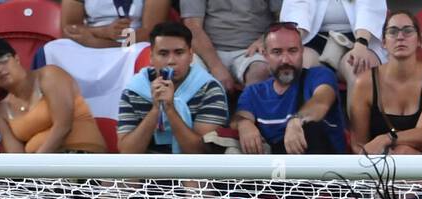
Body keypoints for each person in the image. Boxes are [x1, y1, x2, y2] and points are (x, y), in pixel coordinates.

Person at [0, 38, 111, 199]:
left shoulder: (49, 75)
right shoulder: (1, 111)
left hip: (81, 158)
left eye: (2, 60)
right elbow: (17, 159)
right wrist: (30, 173)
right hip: (39, 171)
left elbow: (63, 125)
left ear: (16, 58)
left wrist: (36, 167)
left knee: (51, 187)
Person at [117, 21, 230, 155]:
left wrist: (170, 109)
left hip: (193, 172)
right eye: (163, 54)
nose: (171, 61)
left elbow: (202, 153)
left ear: (190, 55)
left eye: (179, 53)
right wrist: (155, 109)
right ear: (151, 57)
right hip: (146, 171)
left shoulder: (209, 89)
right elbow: (127, 153)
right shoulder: (134, 90)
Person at [234, 21, 346, 154]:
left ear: (302, 51)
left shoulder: (319, 76)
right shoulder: (254, 92)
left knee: (310, 128)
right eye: (277, 52)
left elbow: (321, 103)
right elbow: (239, 117)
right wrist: (244, 124)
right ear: (265, 55)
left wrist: (297, 120)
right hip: (272, 169)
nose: (285, 60)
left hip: (321, 168)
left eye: (292, 51)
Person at [349, 10, 422, 155]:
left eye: (408, 31)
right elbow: (359, 144)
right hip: (378, 163)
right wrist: (384, 159)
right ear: (383, 42)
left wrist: (386, 139)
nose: (400, 37)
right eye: (393, 32)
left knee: (404, 151)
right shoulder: (364, 83)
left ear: (419, 40)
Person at [280, 0, 388, 90]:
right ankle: (301, 115)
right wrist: (293, 39)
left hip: (358, 39)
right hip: (314, 37)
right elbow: (297, 10)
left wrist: (361, 44)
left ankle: (357, 115)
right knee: (299, 66)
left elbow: (368, 10)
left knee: (359, 70)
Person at [182, 0, 276, 95]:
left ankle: (246, 109)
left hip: (252, 49)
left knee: (261, 69)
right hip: (207, 50)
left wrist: (265, 39)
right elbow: (193, 26)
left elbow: (283, 16)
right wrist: (216, 66)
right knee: (186, 69)